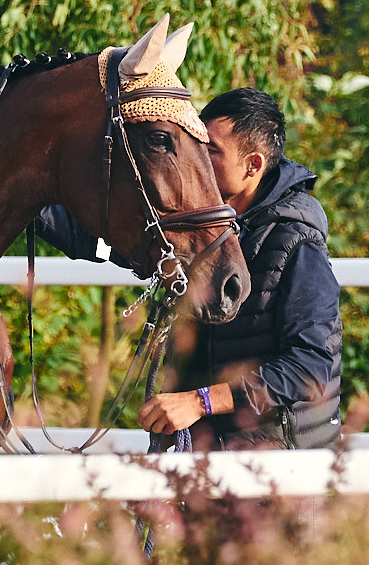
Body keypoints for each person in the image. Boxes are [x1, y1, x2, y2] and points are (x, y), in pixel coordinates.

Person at [32, 86, 343, 450]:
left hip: (275, 466)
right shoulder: (196, 226)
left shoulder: (296, 243)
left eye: (210, 150)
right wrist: (24, 197)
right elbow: (101, 238)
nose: (195, 158)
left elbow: (310, 370)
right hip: (201, 451)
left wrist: (200, 401)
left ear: (253, 165)